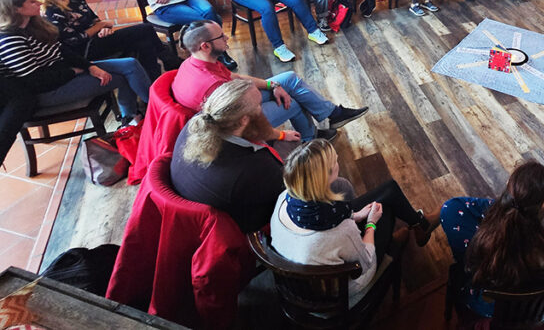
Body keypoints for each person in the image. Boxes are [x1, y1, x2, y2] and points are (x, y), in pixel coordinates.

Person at [270, 139, 439, 306]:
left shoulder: (283, 200)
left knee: (389, 190)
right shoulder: (341, 232)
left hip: (300, 272)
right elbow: (365, 262)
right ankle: (397, 241)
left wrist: (355, 215)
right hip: (344, 289)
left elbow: (331, 221)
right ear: (325, 177)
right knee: (385, 211)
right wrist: (371, 224)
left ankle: (420, 225)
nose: (337, 158)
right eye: (335, 160)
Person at [171, 20, 367, 142]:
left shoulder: (197, 62)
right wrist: (281, 135)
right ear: (205, 46)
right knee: (294, 102)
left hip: (236, 103)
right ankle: (309, 139)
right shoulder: (213, 85)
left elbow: (236, 77)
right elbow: (245, 119)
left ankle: (333, 114)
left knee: (288, 79)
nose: (227, 38)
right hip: (231, 126)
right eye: (221, 37)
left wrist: (273, 85)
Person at [0, 0, 148, 127]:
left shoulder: (34, 25)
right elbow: (36, 81)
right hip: (48, 90)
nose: (39, 2)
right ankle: (134, 116)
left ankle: (148, 110)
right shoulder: (11, 40)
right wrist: (73, 72)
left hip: (65, 71)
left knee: (130, 64)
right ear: (16, 9)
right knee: (123, 76)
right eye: (32, 1)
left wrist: (89, 66)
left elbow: (62, 50)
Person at [440, 160, 544, 318]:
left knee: (450, 210)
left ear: (509, 187)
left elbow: (470, 265)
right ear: (542, 203)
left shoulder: (483, 242)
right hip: (534, 307)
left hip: (489, 306)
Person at [170, 79, 290, 232]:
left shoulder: (197, 124)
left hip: (201, 208)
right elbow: (288, 194)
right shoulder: (256, 168)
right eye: (259, 105)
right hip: (246, 225)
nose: (262, 109)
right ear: (244, 120)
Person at [31, 0, 166, 81]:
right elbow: (73, 41)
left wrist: (102, 28)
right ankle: (169, 59)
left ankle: (152, 86)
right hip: (84, 50)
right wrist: (99, 26)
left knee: (144, 44)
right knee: (145, 29)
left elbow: (93, 18)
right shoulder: (50, 11)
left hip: (98, 38)